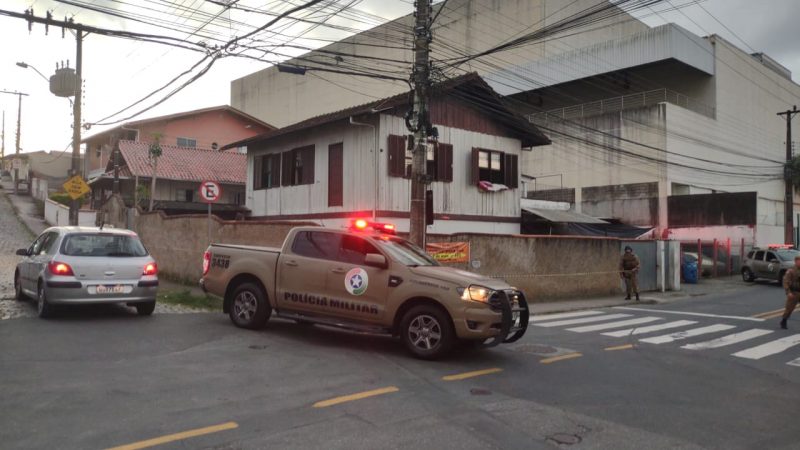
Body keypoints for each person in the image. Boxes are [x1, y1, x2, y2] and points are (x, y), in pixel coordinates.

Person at [780, 255, 800, 329]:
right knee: (789, 308)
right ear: (796, 261)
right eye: (799, 261)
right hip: (794, 292)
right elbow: (785, 282)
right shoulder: (791, 270)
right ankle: (784, 321)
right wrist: (788, 292)